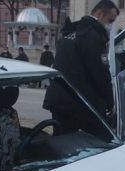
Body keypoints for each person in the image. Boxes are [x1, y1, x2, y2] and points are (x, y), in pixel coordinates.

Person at [43, 0, 119, 135]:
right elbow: (100, 73)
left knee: (62, 144)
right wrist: (110, 101)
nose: (110, 25)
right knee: (105, 140)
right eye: (110, 20)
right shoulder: (93, 35)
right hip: (79, 102)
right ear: (100, 14)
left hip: (60, 99)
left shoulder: (73, 30)